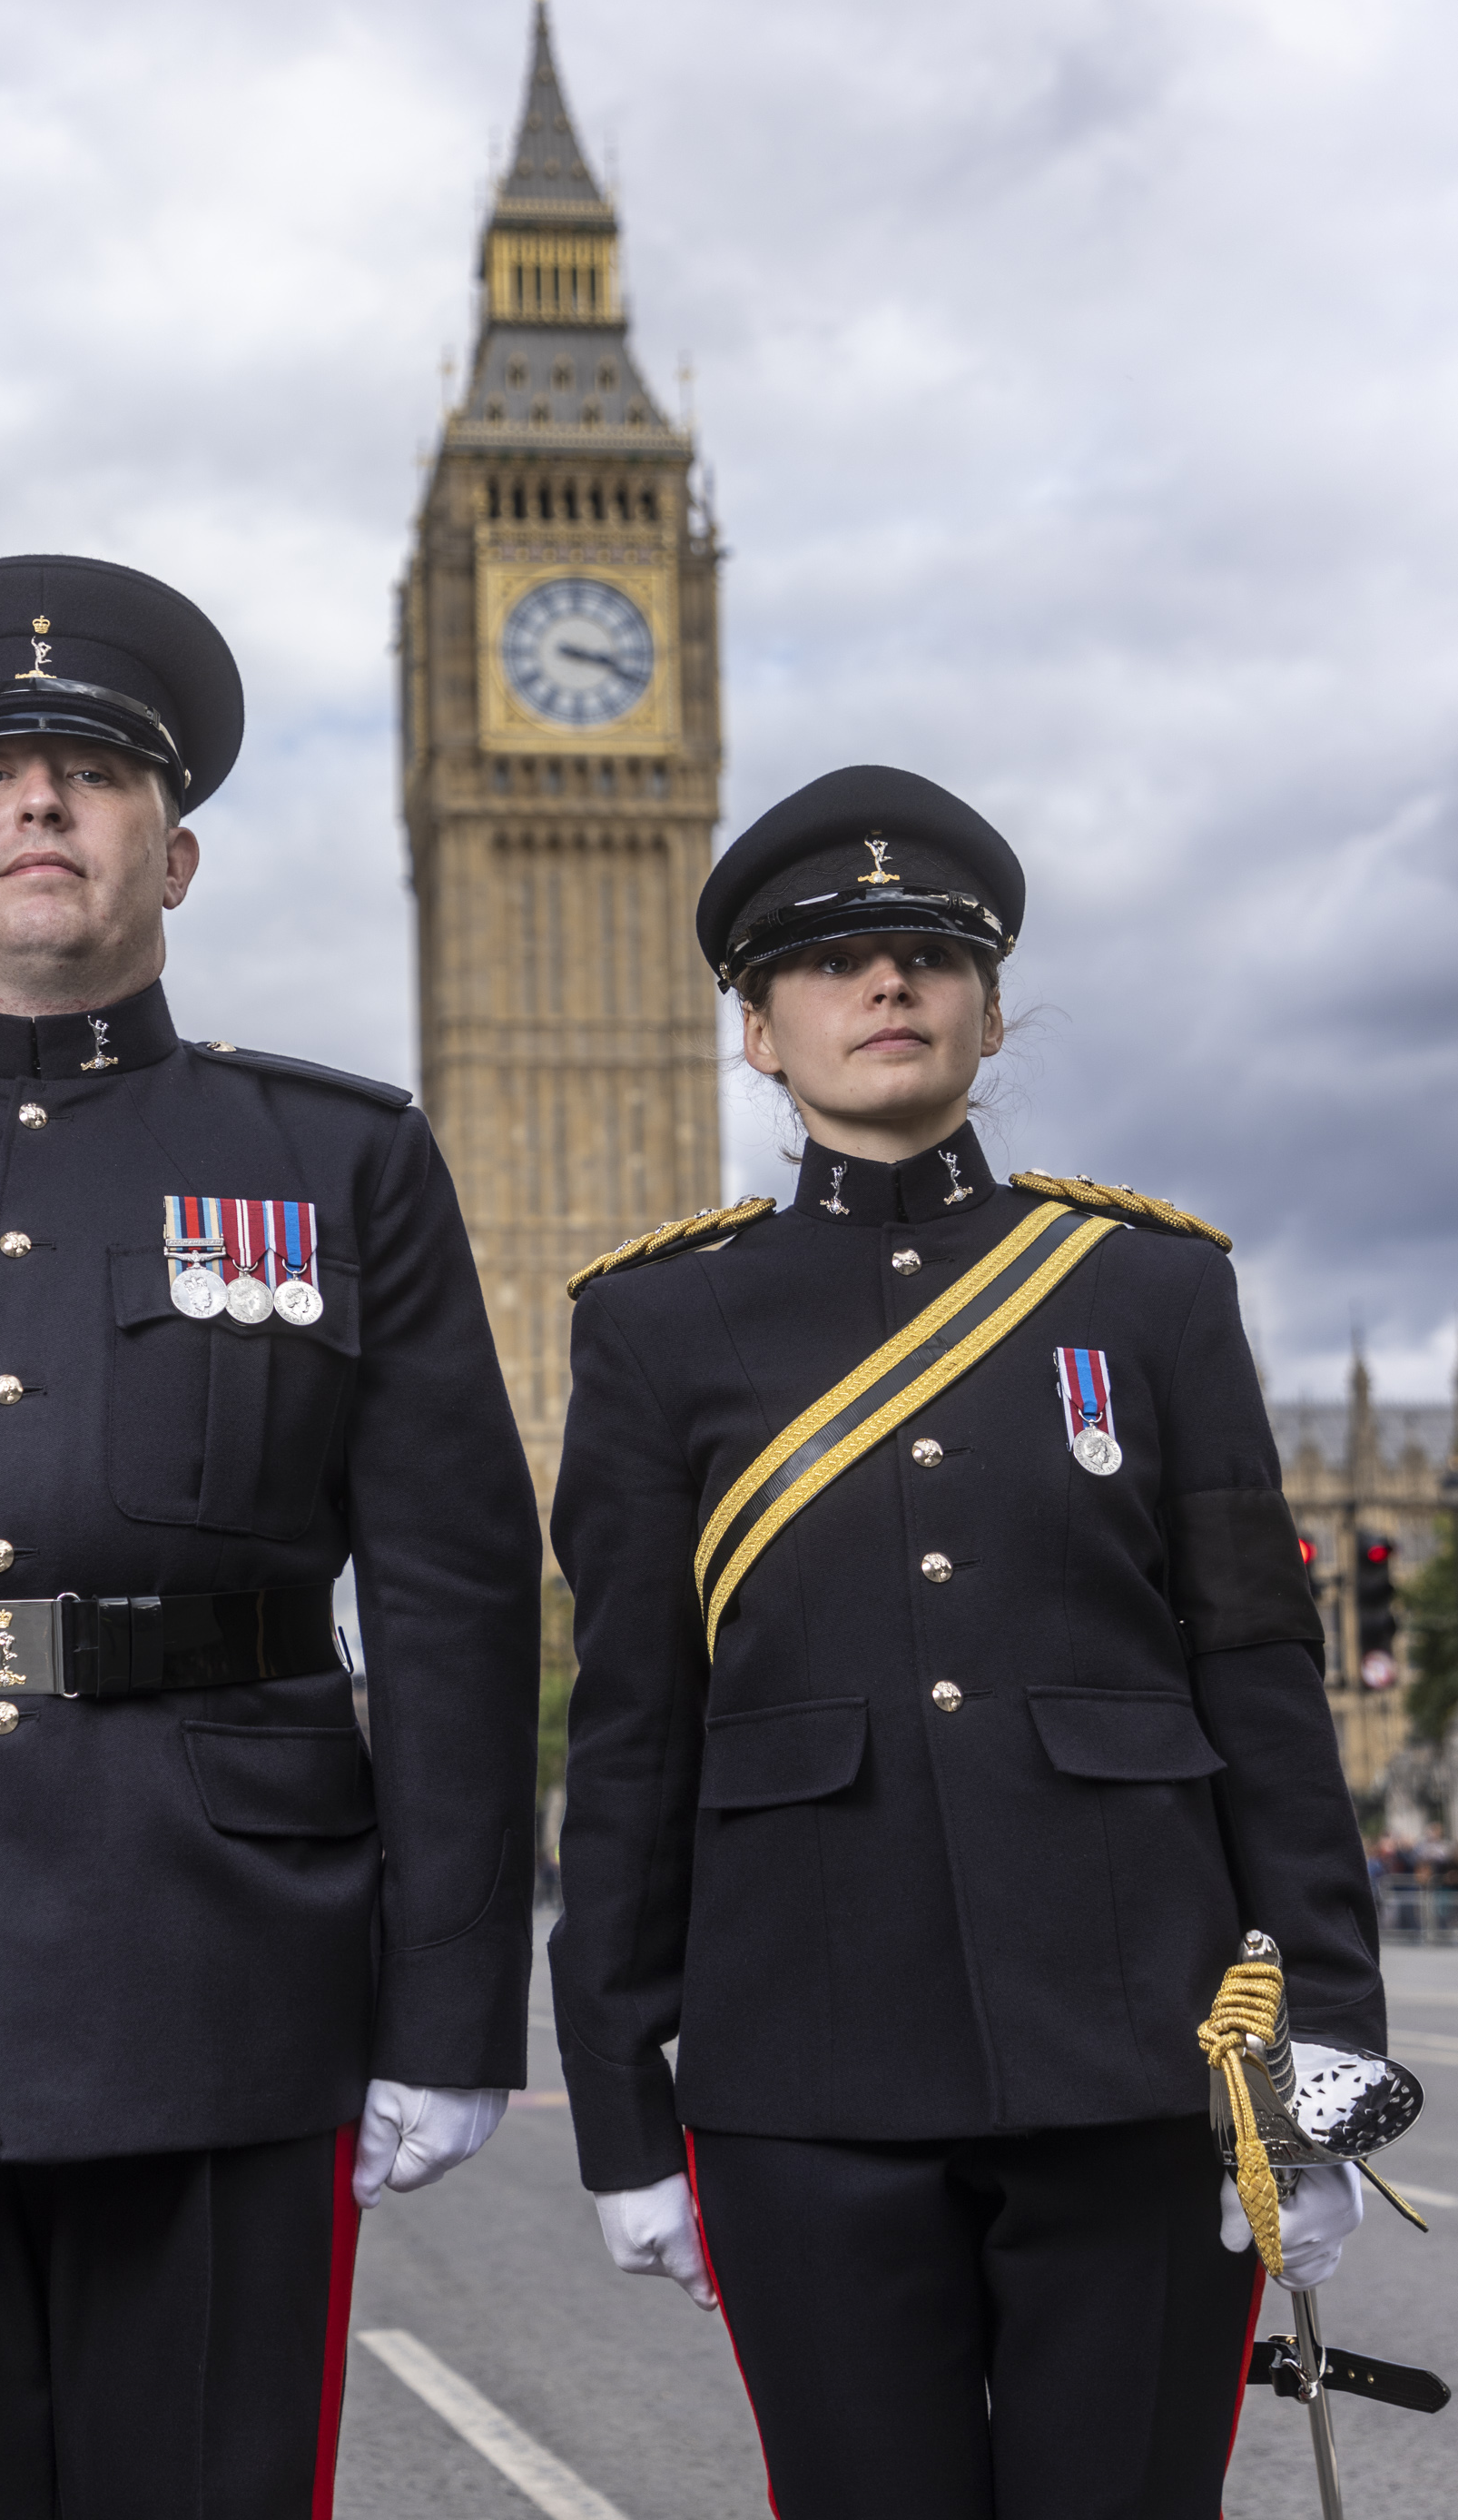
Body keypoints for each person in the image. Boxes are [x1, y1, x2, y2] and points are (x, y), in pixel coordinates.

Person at [0, 556, 540, 2518]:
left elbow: (455, 1593)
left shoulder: (339, 1160)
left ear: (179, 853)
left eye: (92, 773)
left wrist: (452, 2004)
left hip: (225, 1961)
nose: (40, 801)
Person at [548, 766, 1383, 2518]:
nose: (886, 984)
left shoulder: (1146, 1292)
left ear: (990, 1013)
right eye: (833, 961)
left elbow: (1258, 1683)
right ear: (758, 1032)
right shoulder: (654, 1327)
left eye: (927, 953)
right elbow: (635, 1739)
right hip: (805, 2072)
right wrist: (622, 2104)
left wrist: (1319, 2065)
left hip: (1136, 2059)